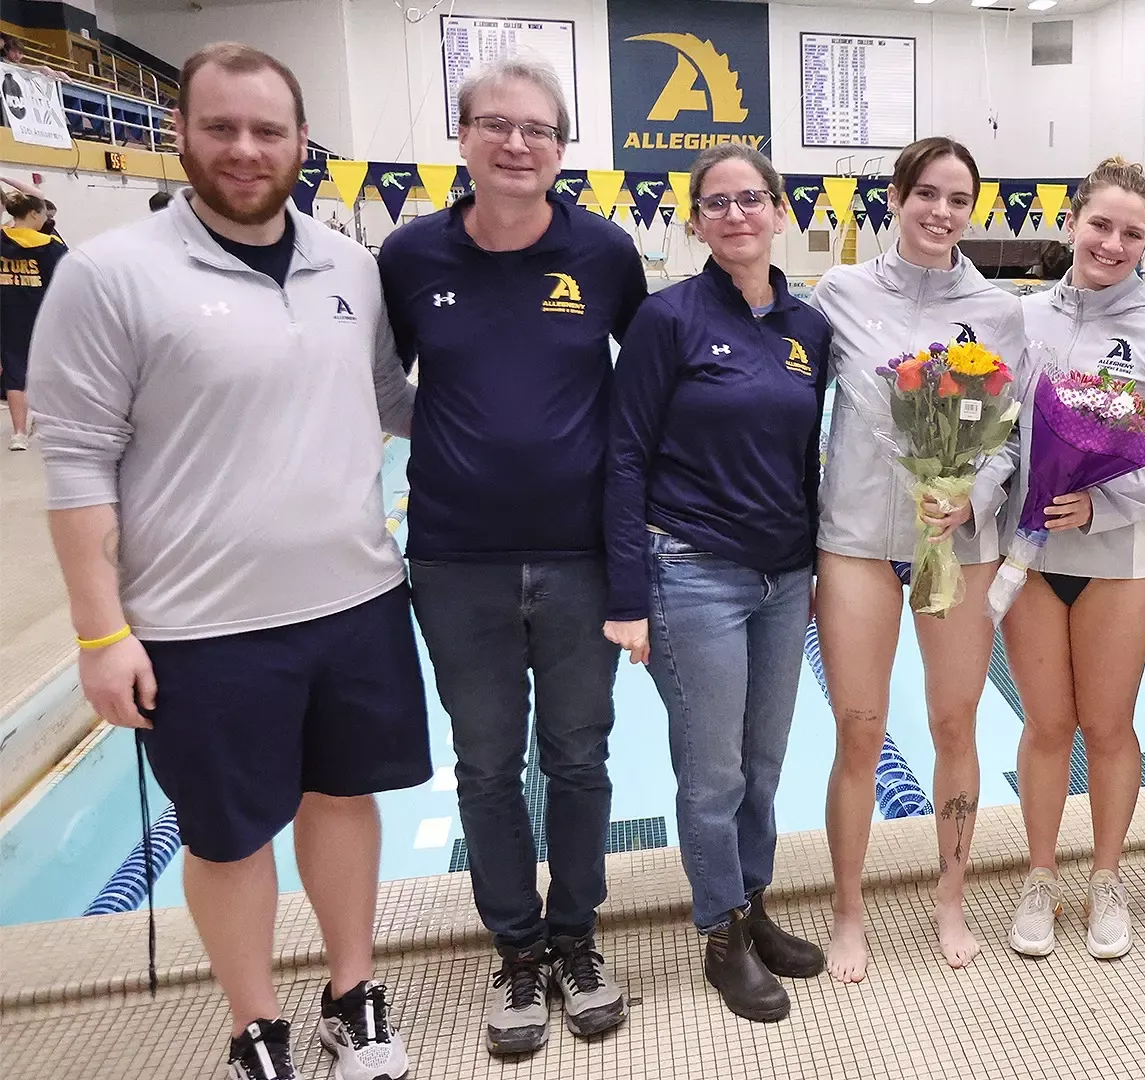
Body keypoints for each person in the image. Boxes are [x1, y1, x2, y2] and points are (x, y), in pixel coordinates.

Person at [30, 43, 426, 1080]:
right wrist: (100, 631)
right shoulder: (111, 274)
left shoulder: (350, 265)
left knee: (344, 803)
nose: (246, 150)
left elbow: (394, 404)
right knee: (226, 837)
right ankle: (257, 1026)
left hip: (357, 599)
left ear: (302, 142)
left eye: (268, 130)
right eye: (222, 128)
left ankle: (353, 993)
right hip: (201, 626)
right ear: (181, 136)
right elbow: (73, 462)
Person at [377, 55, 647, 1056]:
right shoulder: (409, 259)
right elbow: (375, 380)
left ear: (561, 148)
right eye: (496, 125)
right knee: (487, 766)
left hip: (579, 558)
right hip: (456, 560)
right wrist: (446, 431)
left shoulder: (606, 253)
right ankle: (518, 951)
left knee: (579, 758)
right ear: (464, 137)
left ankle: (577, 940)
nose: (517, 144)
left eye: (537, 129)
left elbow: (648, 384)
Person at [605, 143, 832, 1023]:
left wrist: (815, 562)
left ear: (780, 210)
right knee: (712, 775)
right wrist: (627, 596)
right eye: (717, 203)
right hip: (690, 570)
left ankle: (754, 903)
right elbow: (624, 457)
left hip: (782, 578)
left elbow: (807, 456)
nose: (736, 215)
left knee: (763, 765)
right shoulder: (667, 320)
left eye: (752, 199)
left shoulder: (808, 331)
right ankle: (720, 933)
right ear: (695, 219)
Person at [809, 136, 1026, 982]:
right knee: (860, 732)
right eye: (926, 194)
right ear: (895, 197)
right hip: (859, 545)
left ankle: (949, 897)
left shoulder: (999, 308)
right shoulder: (839, 294)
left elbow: (1011, 434)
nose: (942, 212)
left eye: (958, 199)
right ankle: (849, 909)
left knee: (953, 724)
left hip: (960, 545)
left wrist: (977, 494)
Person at [1002, 157, 1145, 961]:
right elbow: (995, 429)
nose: (1114, 242)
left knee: (1108, 723)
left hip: (1122, 561)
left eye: (1133, 232)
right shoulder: (1022, 320)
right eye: (1101, 224)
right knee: (1047, 725)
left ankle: (1106, 878)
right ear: (1072, 222)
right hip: (1029, 552)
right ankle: (1040, 877)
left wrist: (1106, 502)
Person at [1, 190, 64, 449]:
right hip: (43, 315)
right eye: (42, 214)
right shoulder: (49, 245)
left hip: (7, 315)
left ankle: (18, 433)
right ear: (33, 214)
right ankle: (41, 421)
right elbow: (65, 281)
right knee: (46, 373)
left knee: (15, 375)